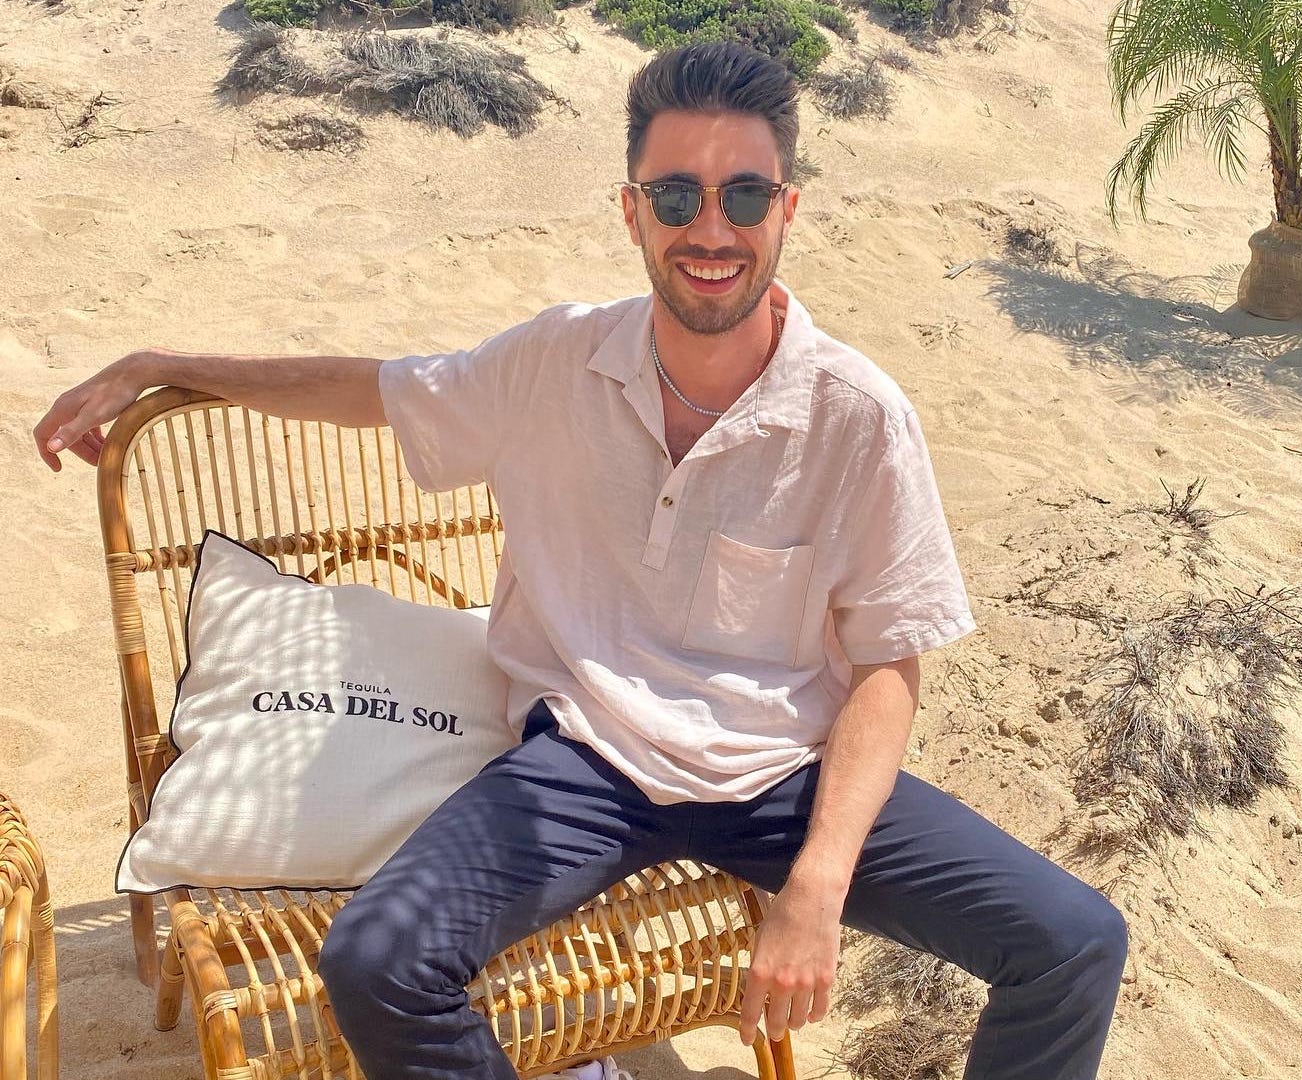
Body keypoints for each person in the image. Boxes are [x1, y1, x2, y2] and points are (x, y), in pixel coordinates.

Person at [34, 41, 1127, 1080]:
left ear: (787, 210)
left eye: (745, 194)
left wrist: (816, 887)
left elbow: (889, 664)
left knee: (1074, 942)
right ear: (630, 212)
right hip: (586, 765)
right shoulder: (557, 361)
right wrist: (166, 363)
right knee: (378, 961)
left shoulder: (858, 416)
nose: (712, 228)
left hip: (780, 772)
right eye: (676, 196)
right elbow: (369, 390)